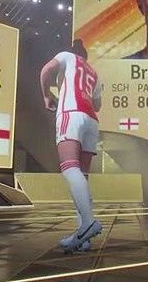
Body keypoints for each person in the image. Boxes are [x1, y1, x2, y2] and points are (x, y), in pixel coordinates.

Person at [39, 39, 103, 253]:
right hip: (91, 120)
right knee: (82, 176)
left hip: (71, 112)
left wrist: (47, 96)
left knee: (69, 168)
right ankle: (84, 237)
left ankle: (89, 224)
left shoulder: (66, 56)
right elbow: (98, 105)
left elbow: (45, 70)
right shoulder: (94, 73)